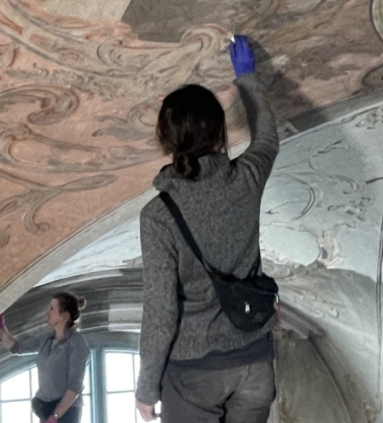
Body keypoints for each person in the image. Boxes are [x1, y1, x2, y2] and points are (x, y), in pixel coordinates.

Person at [134, 35, 280, 423]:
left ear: (166, 141)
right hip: (255, 362)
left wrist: (147, 387)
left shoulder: (158, 215)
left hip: (194, 372)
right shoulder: (246, 179)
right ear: (220, 133)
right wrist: (247, 76)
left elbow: (161, 309)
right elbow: (268, 139)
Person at [0, 292, 91, 423]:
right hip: (47, 410)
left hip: (65, 412)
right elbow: (17, 348)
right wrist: (1, 327)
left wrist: (55, 416)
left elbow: (74, 388)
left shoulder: (77, 344)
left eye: (52, 308)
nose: (47, 312)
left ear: (64, 316)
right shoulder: (47, 339)